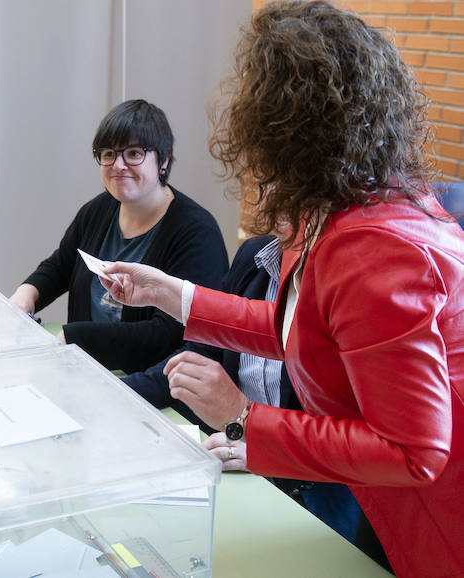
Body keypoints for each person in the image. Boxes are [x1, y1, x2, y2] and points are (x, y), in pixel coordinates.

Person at [101, 3, 464, 576]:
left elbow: (414, 452)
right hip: (386, 500)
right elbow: (297, 329)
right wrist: (173, 294)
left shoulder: (378, 252)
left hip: (439, 518)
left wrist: (242, 415)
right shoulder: (336, 211)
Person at [124, 235, 375, 555]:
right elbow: (206, 349)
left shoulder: (345, 277)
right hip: (254, 467)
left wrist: (247, 423)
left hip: (323, 488)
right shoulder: (255, 255)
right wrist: (119, 393)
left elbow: (350, 423)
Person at [9, 99, 228, 374]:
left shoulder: (197, 233)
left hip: (154, 390)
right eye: (109, 153)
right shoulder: (98, 210)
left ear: (164, 159)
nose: (118, 164)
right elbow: (60, 266)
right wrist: (25, 295)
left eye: (134, 153)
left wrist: (79, 339)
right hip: (87, 371)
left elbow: (169, 335)